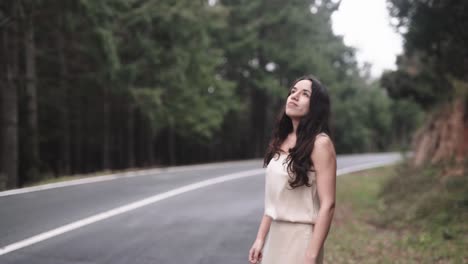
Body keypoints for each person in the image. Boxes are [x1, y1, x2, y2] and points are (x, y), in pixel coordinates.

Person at [248, 75, 337, 264]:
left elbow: (328, 205)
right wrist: (260, 239)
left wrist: (311, 255)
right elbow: (273, 201)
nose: (294, 96)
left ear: (316, 106)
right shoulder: (281, 140)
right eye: (293, 91)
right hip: (275, 236)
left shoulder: (320, 144)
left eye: (304, 94)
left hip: (301, 239)